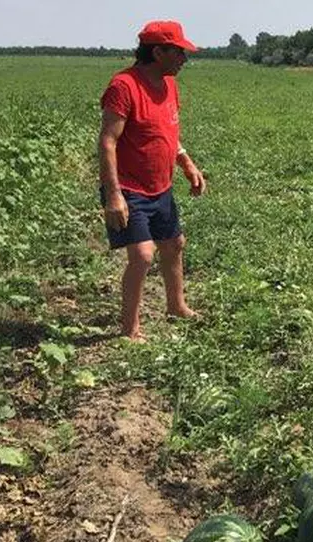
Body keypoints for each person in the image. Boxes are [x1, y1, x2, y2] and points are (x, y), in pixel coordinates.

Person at [99, 20, 207, 341]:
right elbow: (107, 141)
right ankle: (130, 329)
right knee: (143, 255)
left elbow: (167, 131)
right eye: (178, 52)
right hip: (130, 188)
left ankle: (176, 306)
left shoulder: (169, 85)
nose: (184, 59)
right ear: (157, 52)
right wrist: (113, 196)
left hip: (160, 186)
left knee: (174, 245)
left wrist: (186, 163)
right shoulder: (124, 86)